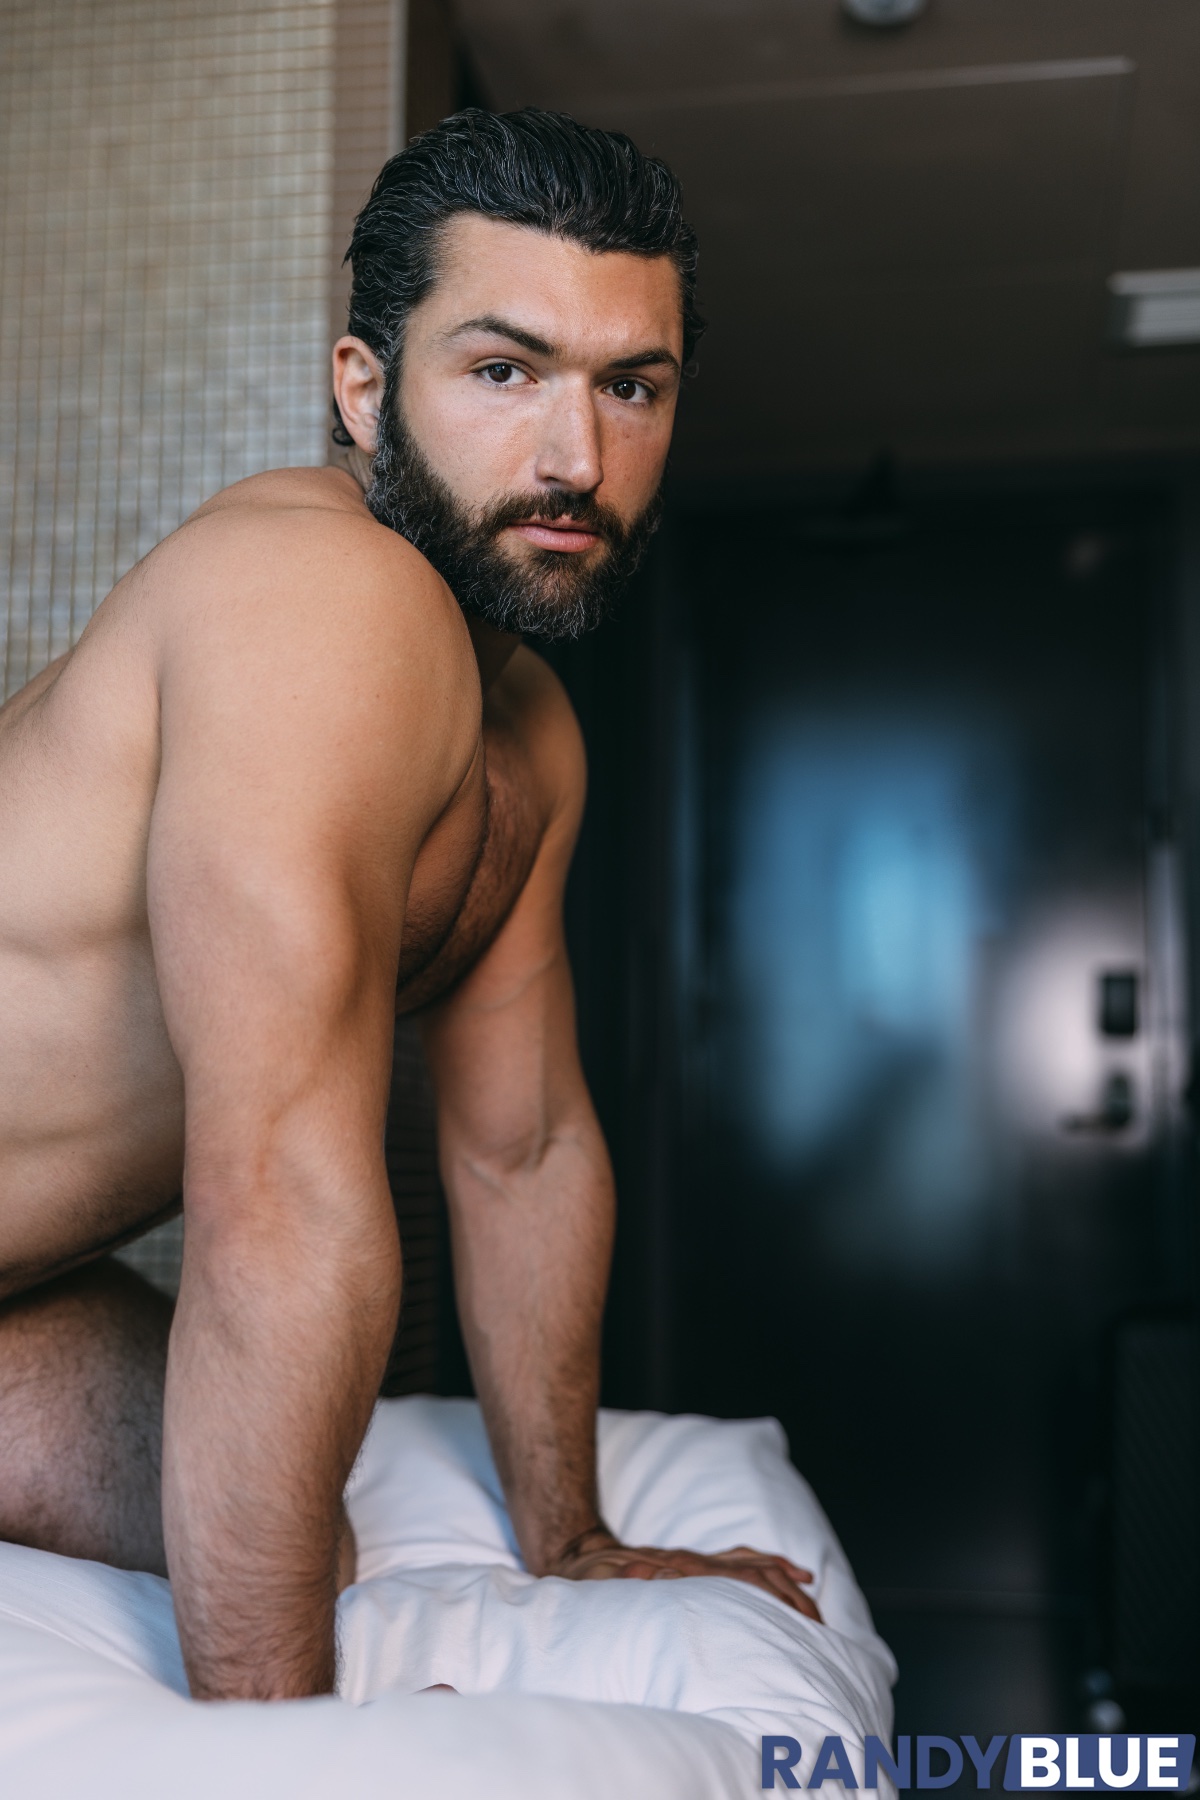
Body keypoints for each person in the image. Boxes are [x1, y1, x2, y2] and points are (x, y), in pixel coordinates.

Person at [0, 108, 819, 1702]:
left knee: (286, 1534)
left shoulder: (530, 734)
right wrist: (292, 1752)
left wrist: (572, 1538)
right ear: (364, 390)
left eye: (630, 387)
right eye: (505, 371)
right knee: (271, 1590)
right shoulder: (324, 603)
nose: (575, 457)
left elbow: (522, 1146)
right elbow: (278, 1191)